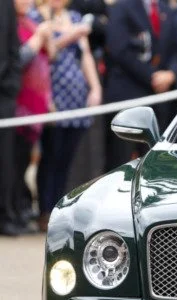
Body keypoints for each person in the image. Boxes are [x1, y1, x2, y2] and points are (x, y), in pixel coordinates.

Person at [36, 0, 102, 232]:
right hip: (53, 95)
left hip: (76, 96)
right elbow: (50, 53)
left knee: (66, 159)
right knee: (51, 157)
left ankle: (58, 210)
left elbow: (85, 56)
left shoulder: (74, 16)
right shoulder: (39, 17)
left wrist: (95, 88)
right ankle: (44, 210)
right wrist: (70, 35)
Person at [103, 0, 177, 171]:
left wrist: (170, 74)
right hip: (128, 94)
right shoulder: (123, 7)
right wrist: (152, 76)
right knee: (121, 164)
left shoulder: (165, 9)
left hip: (159, 98)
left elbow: (175, 45)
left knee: (154, 164)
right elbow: (118, 48)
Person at [14, 0, 55, 233]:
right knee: (17, 161)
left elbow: (50, 56)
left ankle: (22, 207)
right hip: (20, 105)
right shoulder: (16, 25)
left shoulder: (31, 22)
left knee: (25, 159)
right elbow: (18, 59)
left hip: (37, 105)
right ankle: (17, 209)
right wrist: (38, 36)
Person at [1, 0, 23, 236]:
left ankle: (4, 214)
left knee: (5, 160)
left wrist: (12, 85)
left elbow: (12, 46)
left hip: (3, 94)